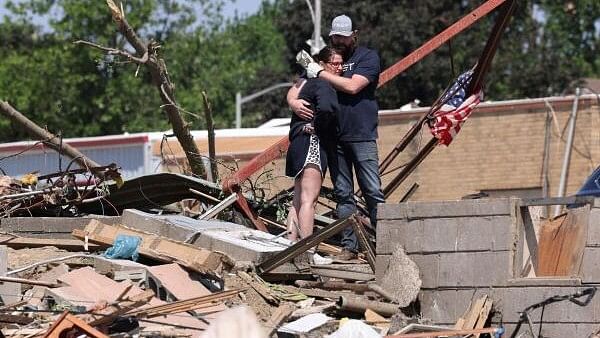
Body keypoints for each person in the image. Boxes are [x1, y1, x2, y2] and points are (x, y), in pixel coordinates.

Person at [287, 14, 385, 259]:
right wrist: (293, 102)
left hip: (361, 135)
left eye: (344, 36)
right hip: (334, 139)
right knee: (343, 194)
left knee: (372, 190)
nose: (339, 41)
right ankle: (349, 247)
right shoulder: (326, 59)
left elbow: (352, 86)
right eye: (335, 37)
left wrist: (319, 72)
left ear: (354, 35)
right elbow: (299, 85)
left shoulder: (368, 57)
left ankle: (386, 244)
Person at [285, 46, 343, 241]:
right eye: (334, 63)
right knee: (309, 200)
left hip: (298, 144)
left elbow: (293, 94)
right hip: (313, 144)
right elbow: (326, 109)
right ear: (322, 65)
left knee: (298, 200)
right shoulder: (323, 85)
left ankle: (290, 245)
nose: (339, 67)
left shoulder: (308, 84)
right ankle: (304, 250)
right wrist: (318, 126)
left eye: (341, 63)